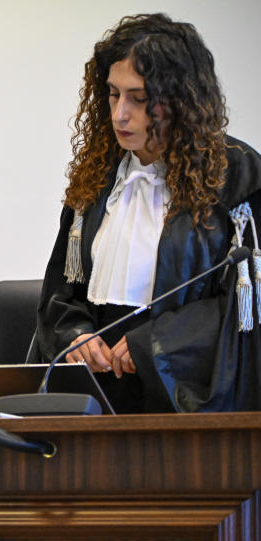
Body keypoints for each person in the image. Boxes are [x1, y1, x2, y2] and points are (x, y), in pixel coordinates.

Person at [34, 14, 261, 412]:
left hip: (183, 396)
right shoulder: (98, 173)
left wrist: (154, 344)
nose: (120, 114)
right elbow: (61, 287)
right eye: (113, 94)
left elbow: (246, 303)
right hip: (95, 395)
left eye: (139, 99)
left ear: (182, 100)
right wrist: (75, 335)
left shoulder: (238, 175)